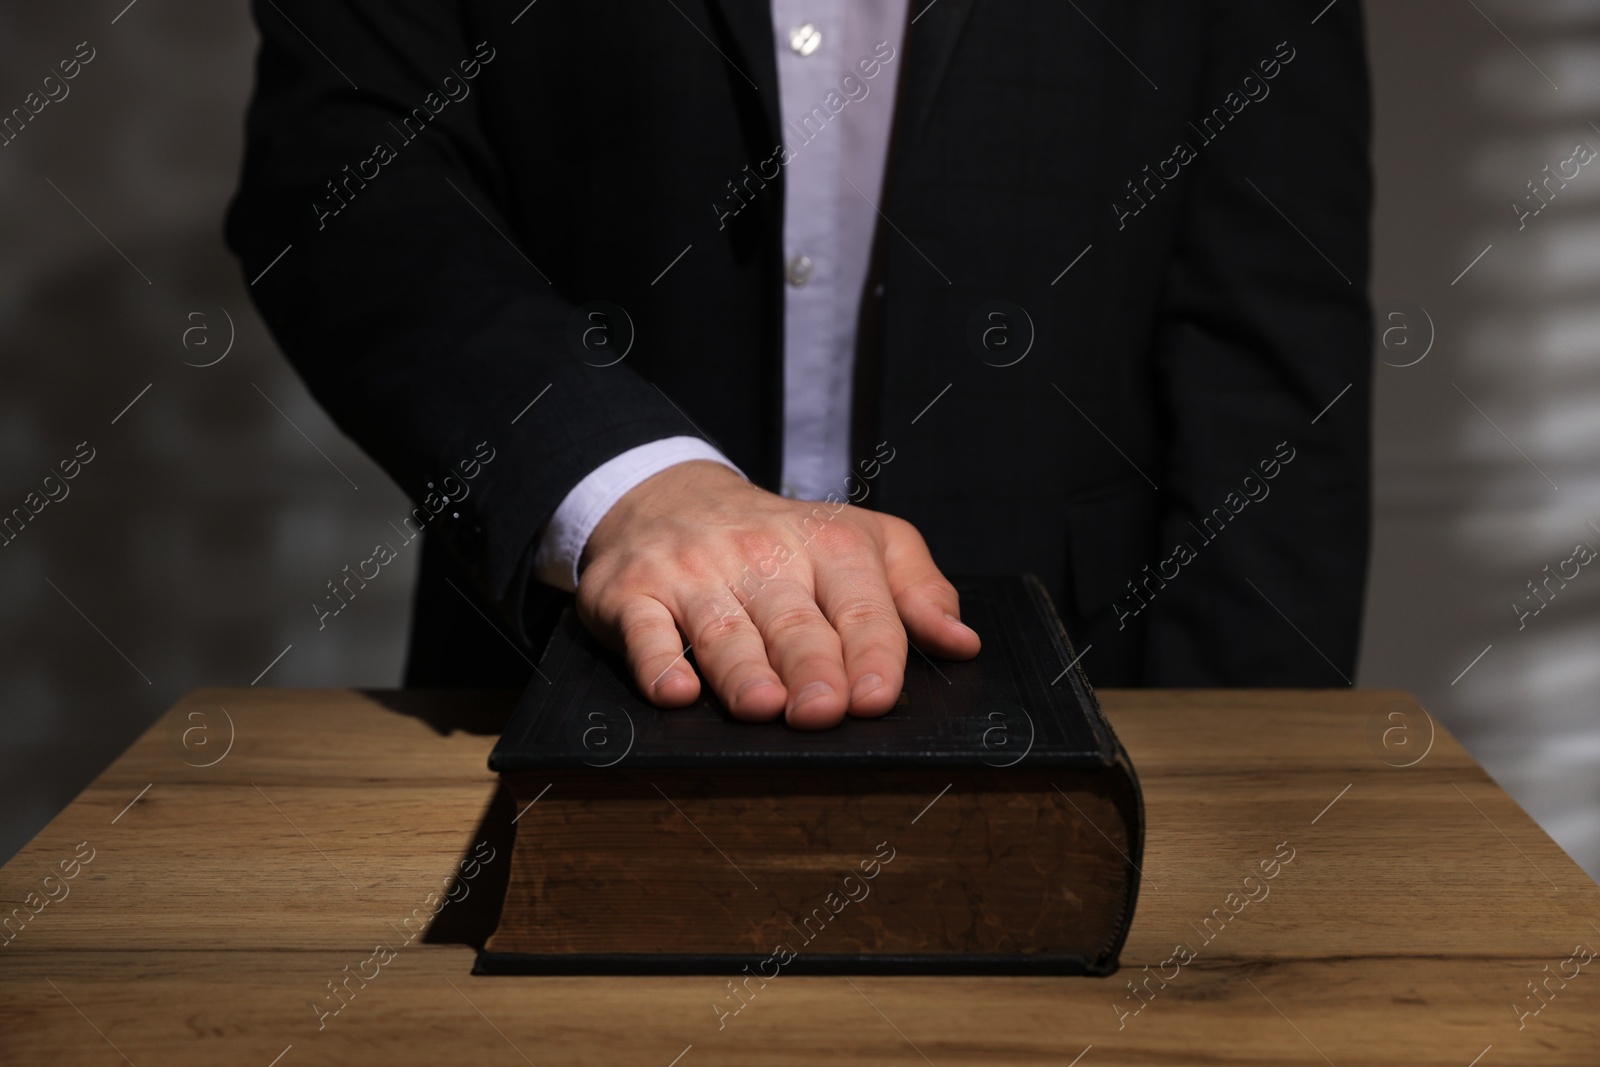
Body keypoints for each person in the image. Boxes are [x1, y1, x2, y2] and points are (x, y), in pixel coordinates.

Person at [227, 0, 1373, 728]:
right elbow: (343, 181)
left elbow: (1269, 339)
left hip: (1078, 704)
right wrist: (625, 484)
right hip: (554, 694)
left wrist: (1238, 789)